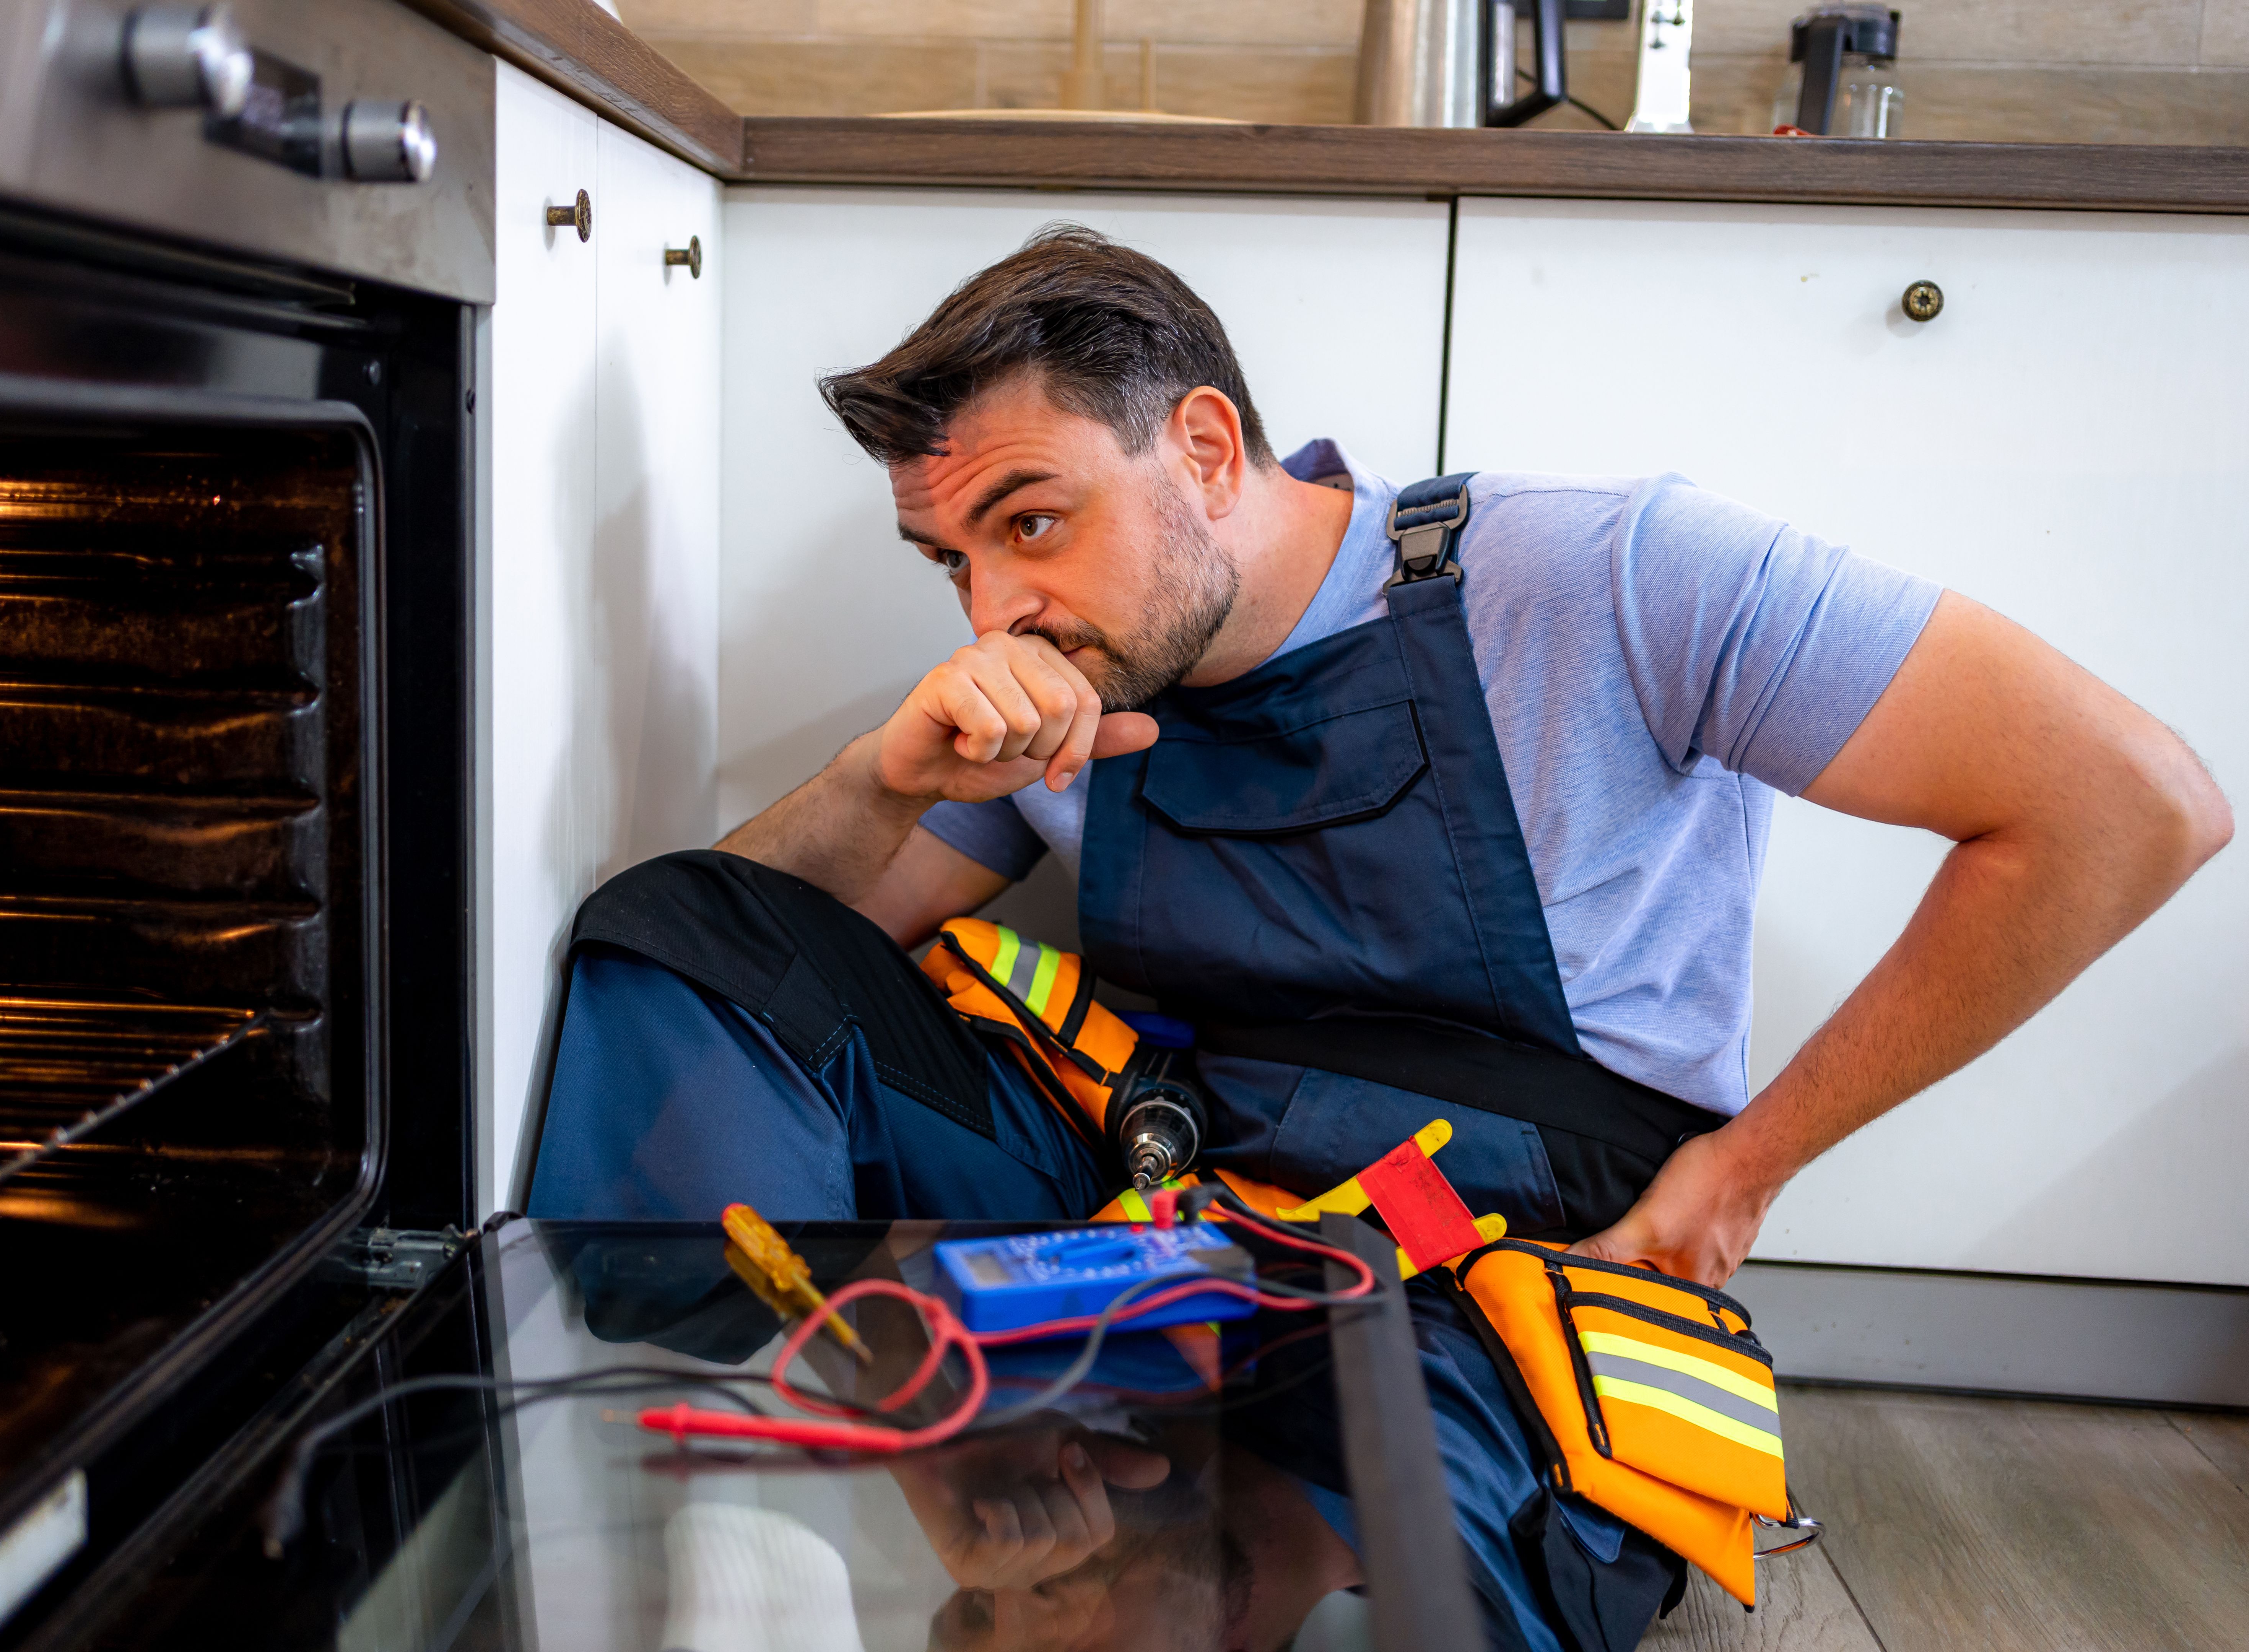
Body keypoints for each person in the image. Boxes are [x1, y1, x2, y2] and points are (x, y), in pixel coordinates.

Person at [527, 226, 2231, 1647]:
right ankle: (751, 1482)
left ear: (1204, 447)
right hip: (1148, 1189)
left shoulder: (1611, 575)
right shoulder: (1057, 692)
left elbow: (2127, 804)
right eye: (949, 560)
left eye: (1031, 524)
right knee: (670, 922)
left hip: (1496, 1255)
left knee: (1320, 1583)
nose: (996, 612)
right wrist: (882, 777)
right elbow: (746, 953)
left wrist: (1745, 1172)